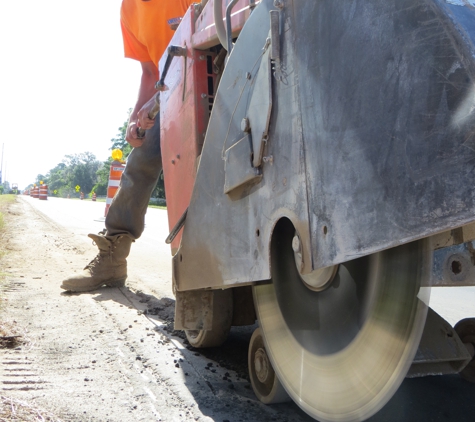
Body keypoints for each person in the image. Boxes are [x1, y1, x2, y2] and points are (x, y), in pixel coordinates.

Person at [61, 0, 194, 292]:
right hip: (168, 91)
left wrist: (155, 101)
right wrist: (135, 119)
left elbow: (206, 37)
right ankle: (112, 258)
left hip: (208, 76)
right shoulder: (129, 10)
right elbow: (150, 71)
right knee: (140, 161)